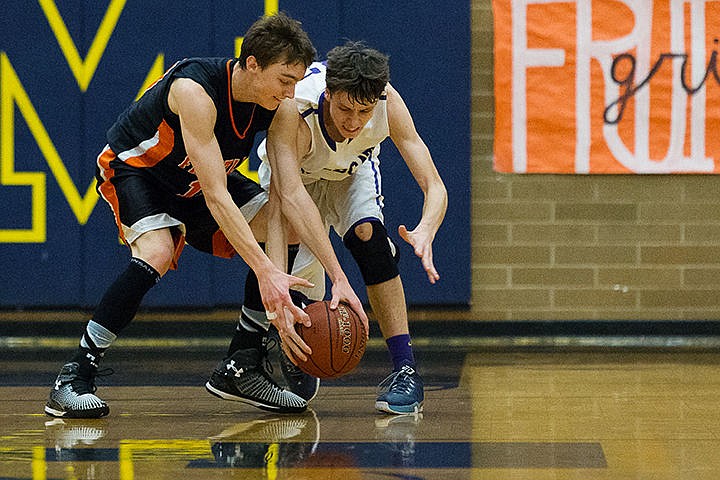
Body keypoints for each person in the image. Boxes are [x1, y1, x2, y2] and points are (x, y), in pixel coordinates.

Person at [44, 13, 365, 419]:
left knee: (278, 223)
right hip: (140, 172)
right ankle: (75, 374)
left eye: (297, 82)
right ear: (252, 64)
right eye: (284, 80)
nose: (291, 92)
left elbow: (291, 195)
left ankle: (240, 365)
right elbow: (216, 196)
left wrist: (338, 276)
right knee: (157, 253)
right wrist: (266, 272)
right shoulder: (195, 91)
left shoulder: (280, 108)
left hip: (196, 183)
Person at [235, 41, 448, 414]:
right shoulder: (293, 111)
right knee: (301, 289)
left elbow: (435, 185)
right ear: (328, 93)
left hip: (351, 173)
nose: (353, 121)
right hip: (295, 181)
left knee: (371, 240)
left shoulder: (388, 103)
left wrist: (427, 226)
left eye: (363, 111)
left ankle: (406, 370)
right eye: (345, 108)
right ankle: (298, 334)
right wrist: (280, 278)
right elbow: (284, 204)